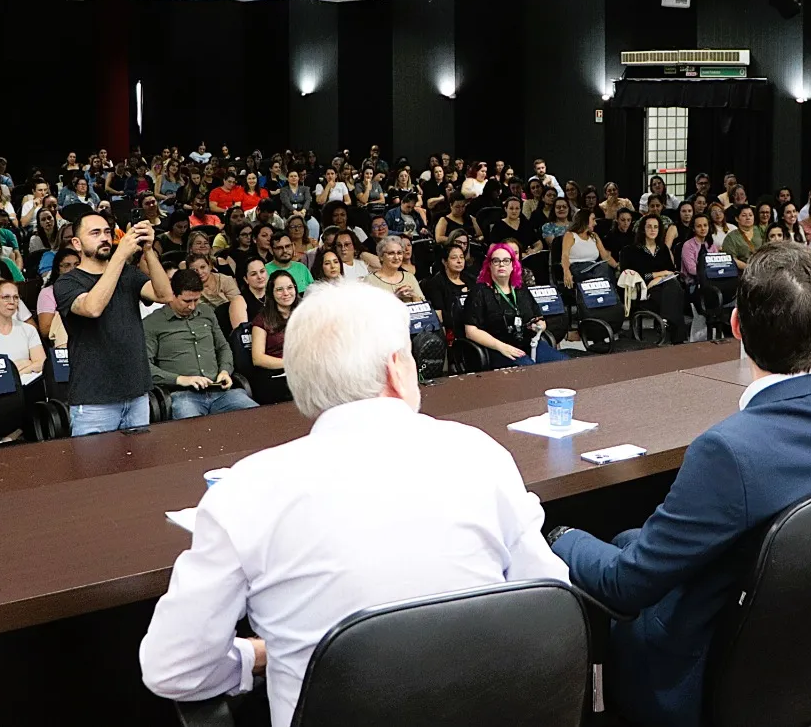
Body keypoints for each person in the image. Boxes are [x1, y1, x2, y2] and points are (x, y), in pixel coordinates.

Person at [140, 281, 567, 722]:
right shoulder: (480, 453)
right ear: (397, 369)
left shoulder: (245, 490)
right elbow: (552, 604)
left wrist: (258, 656)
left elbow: (175, 669)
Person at [548, 243, 811, 727]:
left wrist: (560, 538)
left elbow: (624, 587)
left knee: (597, 557)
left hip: (715, 678)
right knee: (631, 540)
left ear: (735, 326)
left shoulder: (728, 451)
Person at [54, 207, 174, 436]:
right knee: (95, 470)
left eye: (107, 232)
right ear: (77, 244)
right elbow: (92, 307)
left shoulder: (128, 274)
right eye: (95, 233)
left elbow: (165, 295)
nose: (104, 238)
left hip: (137, 391)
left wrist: (148, 251)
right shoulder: (67, 282)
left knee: (138, 467)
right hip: (94, 400)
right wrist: (120, 256)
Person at [146, 268, 258, 419]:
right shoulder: (153, 322)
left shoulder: (206, 312)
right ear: (172, 294)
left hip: (219, 391)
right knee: (193, 427)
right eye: (187, 301)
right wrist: (181, 379)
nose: (192, 306)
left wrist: (225, 371)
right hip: (182, 395)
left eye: (196, 300)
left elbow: (223, 347)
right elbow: (146, 367)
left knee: (256, 415)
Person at [461, 243, 567, 367]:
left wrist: (539, 326)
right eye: (496, 261)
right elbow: (471, 331)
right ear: (489, 265)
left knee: (562, 364)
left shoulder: (521, 289)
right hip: (496, 348)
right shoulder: (479, 292)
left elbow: (539, 318)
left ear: (513, 265)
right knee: (528, 371)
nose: (501, 264)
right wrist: (501, 347)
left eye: (506, 261)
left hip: (529, 342)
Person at [619, 214, 686, 342]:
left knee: (672, 287)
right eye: (649, 227)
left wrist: (657, 279)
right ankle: (675, 335)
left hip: (662, 286)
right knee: (675, 292)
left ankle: (665, 322)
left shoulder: (663, 249)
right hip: (643, 290)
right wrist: (656, 275)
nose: (653, 230)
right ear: (643, 229)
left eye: (656, 227)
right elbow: (629, 274)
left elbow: (671, 271)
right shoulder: (631, 250)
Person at [249, 270, 300, 404]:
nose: (286, 293)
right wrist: (290, 364)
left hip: (302, 372)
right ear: (271, 293)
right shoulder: (262, 320)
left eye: (290, 288)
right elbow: (258, 358)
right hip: (274, 375)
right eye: (279, 289)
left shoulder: (304, 314)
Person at [422, 243, 473, 337]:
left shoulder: (471, 280)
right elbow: (439, 315)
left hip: (473, 327)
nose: (459, 261)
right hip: (452, 332)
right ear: (445, 262)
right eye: (454, 258)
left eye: (461, 257)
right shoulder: (436, 283)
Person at [560, 208, 615, 289]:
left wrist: (618, 267)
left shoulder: (594, 236)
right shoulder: (570, 235)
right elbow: (565, 256)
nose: (595, 223)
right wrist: (566, 271)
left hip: (594, 267)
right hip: (577, 268)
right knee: (603, 272)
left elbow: (606, 257)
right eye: (593, 219)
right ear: (584, 220)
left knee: (605, 268)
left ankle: (610, 299)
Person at [361, 235, 424, 303]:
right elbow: (368, 308)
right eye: (391, 253)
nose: (396, 257)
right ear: (381, 256)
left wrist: (413, 295)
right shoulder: (370, 280)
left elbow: (424, 306)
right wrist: (395, 297)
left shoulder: (409, 277)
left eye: (399, 253)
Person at [679, 214, 721, 286]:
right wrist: (711, 272)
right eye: (699, 226)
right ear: (693, 228)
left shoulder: (712, 245)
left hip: (712, 279)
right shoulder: (688, 245)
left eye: (705, 225)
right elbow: (691, 270)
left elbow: (717, 264)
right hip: (693, 283)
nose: (703, 228)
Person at [721, 204, 763, 270]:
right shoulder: (731, 237)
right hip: (742, 273)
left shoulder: (761, 231)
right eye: (744, 215)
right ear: (737, 219)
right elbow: (731, 259)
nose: (748, 218)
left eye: (750, 215)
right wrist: (749, 268)